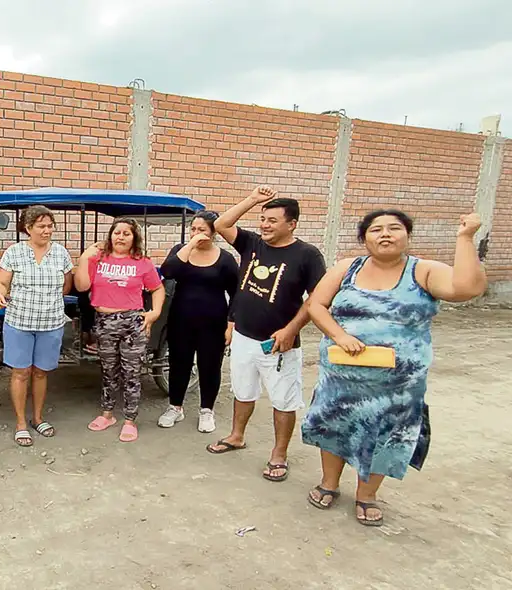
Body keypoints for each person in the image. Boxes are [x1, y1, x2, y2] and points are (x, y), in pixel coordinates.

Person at [301, 210, 486, 526]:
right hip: (342, 377)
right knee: (334, 427)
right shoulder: (346, 268)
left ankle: (367, 494)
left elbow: (466, 288)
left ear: (407, 236)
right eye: (376, 229)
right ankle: (328, 483)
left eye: (394, 228)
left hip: (397, 386)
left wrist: (465, 238)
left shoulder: (423, 271)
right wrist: (340, 335)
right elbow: (316, 305)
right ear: (364, 238)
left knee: (388, 436)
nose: (385, 234)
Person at [205, 186, 327, 484]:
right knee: (243, 391)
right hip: (244, 336)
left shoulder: (307, 255)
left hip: (278, 344)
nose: (265, 225)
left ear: (292, 223)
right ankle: (236, 436)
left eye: (272, 220)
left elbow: (318, 299)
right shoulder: (252, 244)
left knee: (283, 400)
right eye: (263, 219)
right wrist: (252, 200)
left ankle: (279, 454)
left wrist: (291, 329)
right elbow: (221, 225)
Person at [74, 218, 164, 442]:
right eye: (117, 232)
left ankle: (130, 420)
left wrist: (155, 313)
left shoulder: (142, 262)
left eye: (126, 233)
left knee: (131, 373)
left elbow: (157, 288)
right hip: (104, 321)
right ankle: (107, 414)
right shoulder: (98, 260)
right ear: (110, 236)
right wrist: (85, 256)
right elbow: (82, 286)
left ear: (134, 238)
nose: (121, 237)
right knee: (108, 371)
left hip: (132, 321)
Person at [0, 205, 74, 447]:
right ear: (28, 228)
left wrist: (47, 300)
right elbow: (2, 282)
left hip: (50, 323)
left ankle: (38, 418)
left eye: (50, 226)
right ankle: (20, 422)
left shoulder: (61, 253)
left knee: (41, 372)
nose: (47, 230)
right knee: (21, 372)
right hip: (19, 322)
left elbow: (67, 286)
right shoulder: (14, 252)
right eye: (41, 226)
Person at [158, 211, 238, 433]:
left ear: (213, 232)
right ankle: (175, 407)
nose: (196, 233)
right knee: (178, 363)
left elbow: (236, 293)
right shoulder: (180, 252)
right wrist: (190, 245)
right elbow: (168, 271)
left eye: (201, 229)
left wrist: (231, 324)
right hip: (180, 318)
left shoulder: (225, 259)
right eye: (193, 229)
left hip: (214, 321)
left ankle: (206, 410)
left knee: (210, 366)